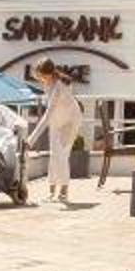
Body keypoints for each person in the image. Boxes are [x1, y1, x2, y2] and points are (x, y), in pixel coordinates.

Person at [32, 69, 87, 207]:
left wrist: (31, 139)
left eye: (39, 75)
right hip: (57, 122)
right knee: (53, 155)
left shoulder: (60, 87)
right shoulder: (48, 84)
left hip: (70, 123)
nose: (38, 78)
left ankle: (63, 190)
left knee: (62, 155)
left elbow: (48, 114)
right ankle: (51, 191)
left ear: (47, 74)